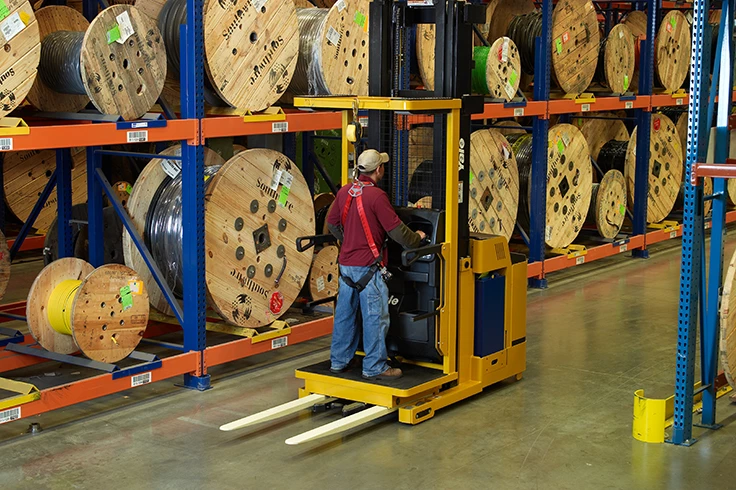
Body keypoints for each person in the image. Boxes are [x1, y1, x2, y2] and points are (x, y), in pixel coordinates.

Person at [327, 149, 427, 380]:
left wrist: (349, 239)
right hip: (369, 270)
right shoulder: (377, 197)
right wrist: (417, 239)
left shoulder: (345, 192)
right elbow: (397, 232)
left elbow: (332, 223)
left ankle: (339, 361)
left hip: (346, 268)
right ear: (379, 170)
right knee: (375, 318)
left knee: (345, 315)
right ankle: (374, 367)